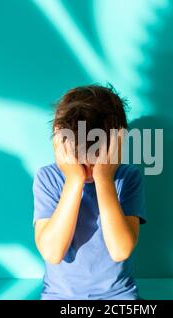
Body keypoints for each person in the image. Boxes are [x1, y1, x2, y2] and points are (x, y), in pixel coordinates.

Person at [33, 84, 147, 300]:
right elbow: (52, 252)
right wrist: (74, 180)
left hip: (119, 297)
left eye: (95, 158)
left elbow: (120, 250)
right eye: (78, 157)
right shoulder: (47, 178)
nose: (86, 166)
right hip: (59, 297)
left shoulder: (128, 178)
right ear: (60, 142)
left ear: (116, 144)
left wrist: (104, 177)